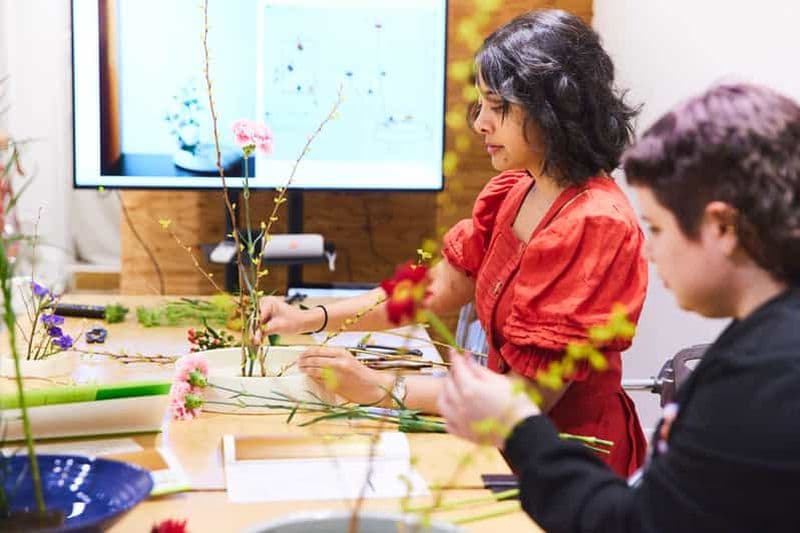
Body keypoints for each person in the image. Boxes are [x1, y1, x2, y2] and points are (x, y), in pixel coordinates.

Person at [255, 9, 648, 477]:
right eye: (479, 104)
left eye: (496, 105)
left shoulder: (594, 224)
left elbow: (526, 399)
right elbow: (437, 288)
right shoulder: (519, 189)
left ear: (552, 107)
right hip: (498, 443)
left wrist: (381, 387)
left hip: (566, 467)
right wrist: (311, 317)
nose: (480, 123)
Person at [437, 83, 800, 532]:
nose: (649, 250)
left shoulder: (761, 377)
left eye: (658, 228)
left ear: (722, 227)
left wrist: (516, 424)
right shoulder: (764, 339)